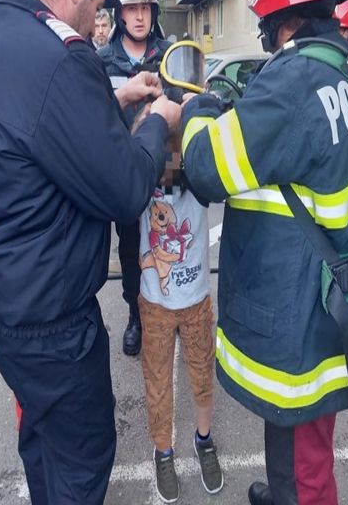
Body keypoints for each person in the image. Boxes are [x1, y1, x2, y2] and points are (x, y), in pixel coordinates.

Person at [180, 0, 348, 505]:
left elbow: (207, 168)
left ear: (275, 11)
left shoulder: (293, 83)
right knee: (305, 451)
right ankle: (283, 490)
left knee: (305, 471)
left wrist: (197, 110)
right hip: (334, 305)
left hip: (299, 315)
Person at [0, 0, 180, 505]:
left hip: (1, 306)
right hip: (53, 322)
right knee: (83, 460)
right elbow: (121, 188)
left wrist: (114, 96)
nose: (103, 17)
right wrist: (158, 123)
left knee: (42, 441)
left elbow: (36, 127)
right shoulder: (62, 58)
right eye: (99, 1)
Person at [137, 149, 223, 500]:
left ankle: (203, 438)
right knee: (156, 382)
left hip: (196, 300)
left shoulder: (200, 180)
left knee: (202, 375)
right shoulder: (141, 180)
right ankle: (163, 451)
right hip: (155, 302)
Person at [98, 0, 173, 356]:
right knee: (131, 253)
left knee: (170, 243)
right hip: (125, 176)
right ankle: (135, 316)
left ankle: (171, 312)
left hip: (164, 175)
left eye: (146, 7)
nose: (140, 15)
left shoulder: (170, 54)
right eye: (131, 8)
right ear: (119, 15)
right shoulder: (101, 61)